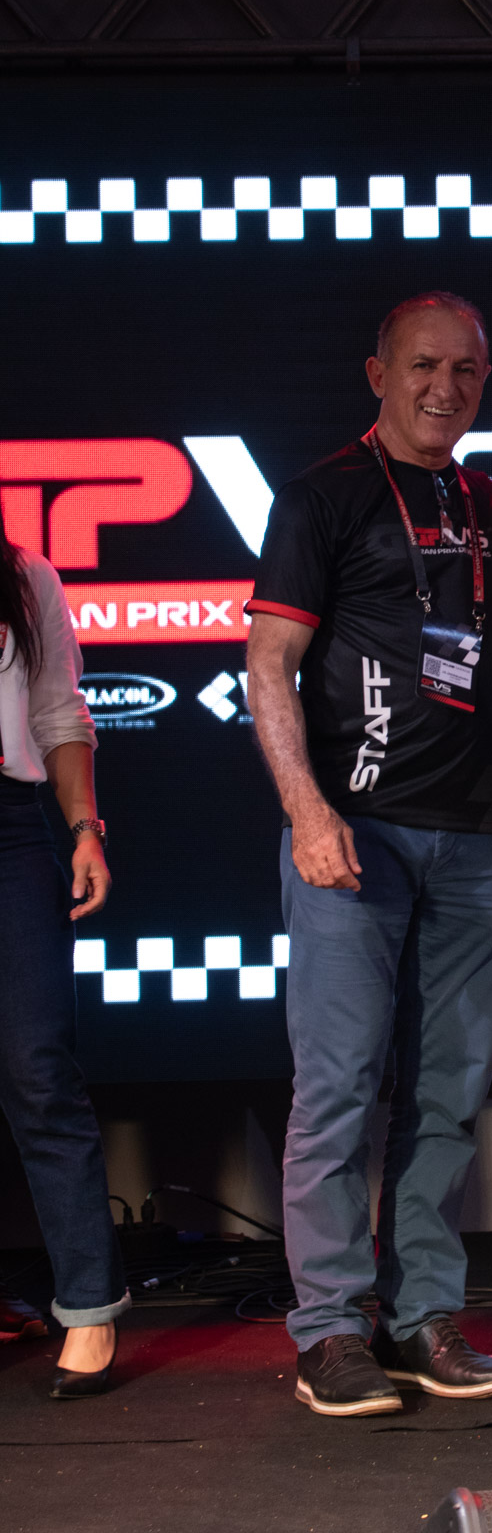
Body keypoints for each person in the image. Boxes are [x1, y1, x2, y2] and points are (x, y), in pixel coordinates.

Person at [245, 291, 492, 1418]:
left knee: (448, 1095)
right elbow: (269, 665)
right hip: (353, 836)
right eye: (422, 366)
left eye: (464, 370)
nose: (443, 388)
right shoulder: (323, 495)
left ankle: (422, 1320)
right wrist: (308, 813)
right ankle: (329, 1331)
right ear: (378, 374)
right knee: (339, 1091)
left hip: (478, 838)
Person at [0, 514, 124, 1398]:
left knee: (38, 1068)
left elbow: (55, 711)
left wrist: (85, 829)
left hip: (9, 831)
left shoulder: (22, 574)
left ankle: (89, 1306)